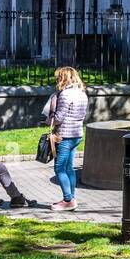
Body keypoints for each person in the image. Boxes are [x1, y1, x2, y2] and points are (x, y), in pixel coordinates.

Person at [43, 66, 89, 212]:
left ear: (63, 78)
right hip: (77, 134)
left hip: (64, 135)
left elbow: (59, 117)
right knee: (69, 168)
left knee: (59, 168)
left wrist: (50, 118)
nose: (57, 80)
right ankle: (71, 198)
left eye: (58, 78)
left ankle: (68, 200)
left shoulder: (65, 94)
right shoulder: (82, 93)